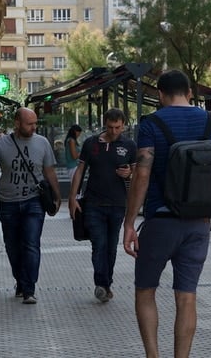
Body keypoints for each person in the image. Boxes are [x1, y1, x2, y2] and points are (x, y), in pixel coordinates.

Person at [122, 70, 211, 358]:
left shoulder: (151, 123)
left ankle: (153, 356)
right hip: (199, 223)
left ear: (160, 95)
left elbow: (142, 173)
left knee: (145, 290)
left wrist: (130, 222)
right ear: (190, 93)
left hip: (161, 221)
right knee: (187, 296)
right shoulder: (210, 123)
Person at [0, 107, 61, 305]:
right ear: (17, 123)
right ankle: (21, 280)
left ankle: (29, 288)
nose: (33, 128)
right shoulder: (2, 144)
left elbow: (49, 172)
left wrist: (58, 196)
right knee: (13, 246)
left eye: (35, 124)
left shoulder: (42, 143)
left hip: (34, 201)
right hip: (8, 203)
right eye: (29, 124)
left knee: (31, 244)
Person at [69, 109, 136, 303]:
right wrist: (72, 198)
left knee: (111, 247)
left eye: (117, 127)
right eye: (110, 127)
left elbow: (137, 173)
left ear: (123, 125)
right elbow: (80, 170)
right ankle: (101, 283)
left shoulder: (129, 145)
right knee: (99, 244)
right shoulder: (91, 144)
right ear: (104, 125)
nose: (114, 131)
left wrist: (129, 173)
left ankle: (107, 283)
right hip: (93, 203)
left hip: (117, 204)